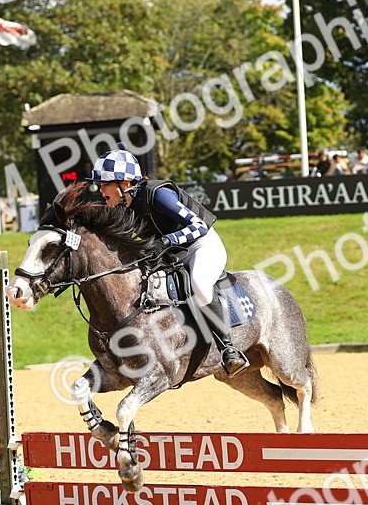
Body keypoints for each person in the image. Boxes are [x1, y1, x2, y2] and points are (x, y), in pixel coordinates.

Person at [86, 146, 250, 376]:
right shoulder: (124, 207)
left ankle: (228, 349)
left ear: (125, 183)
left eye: (105, 184)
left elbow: (199, 226)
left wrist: (165, 241)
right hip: (173, 253)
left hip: (202, 245)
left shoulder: (158, 194)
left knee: (200, 287)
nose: (101, 190)